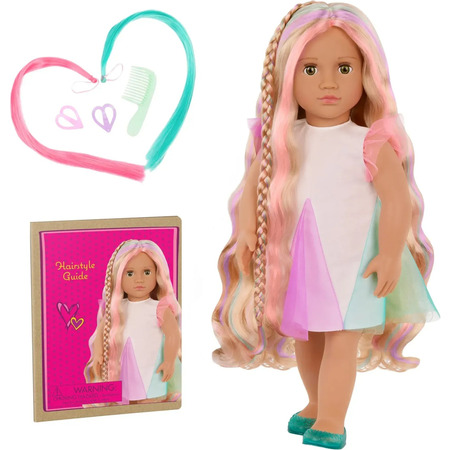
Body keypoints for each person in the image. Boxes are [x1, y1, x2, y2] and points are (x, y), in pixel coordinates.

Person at [212, 3, 439, 448]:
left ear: (366, 75)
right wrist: (247, 232)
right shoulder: (284, 140)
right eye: (311, 69)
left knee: (340, 340)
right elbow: (252, 187)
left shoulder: (370, 142)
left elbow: (397, 201)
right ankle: (316, 403)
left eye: (344, 68)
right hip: (300, 259)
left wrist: (390, 253)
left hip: (354, 263)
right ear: (288, 76)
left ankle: (333, 419)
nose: (329, 82)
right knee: (307, 337)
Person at [85, 239, 181, 404]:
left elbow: (173, 335)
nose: (139, 280)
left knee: (150, 396)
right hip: (122, 365)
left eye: (147, 272)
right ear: (119, 277)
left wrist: (169, 361)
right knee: (124, 396)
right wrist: (99, 353)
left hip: (152, 365)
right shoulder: (117, 308)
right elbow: (102, 330)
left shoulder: (159, 307)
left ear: (157, 274)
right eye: (130, 273)